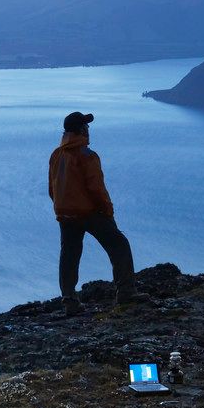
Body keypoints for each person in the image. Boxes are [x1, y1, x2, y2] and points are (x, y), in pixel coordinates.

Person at [48, 111, 146, 316]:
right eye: (86, 126)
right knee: (119, 244)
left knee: (69, 255)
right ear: (81, 130)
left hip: (65, 214)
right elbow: (97, 189)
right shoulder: (87, 155)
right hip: (88, 213)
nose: (89, 129)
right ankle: (126, 292)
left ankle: (69, 302)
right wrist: (107, 210)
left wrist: (62, 206)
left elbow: (52, 187)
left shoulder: (56, 154)